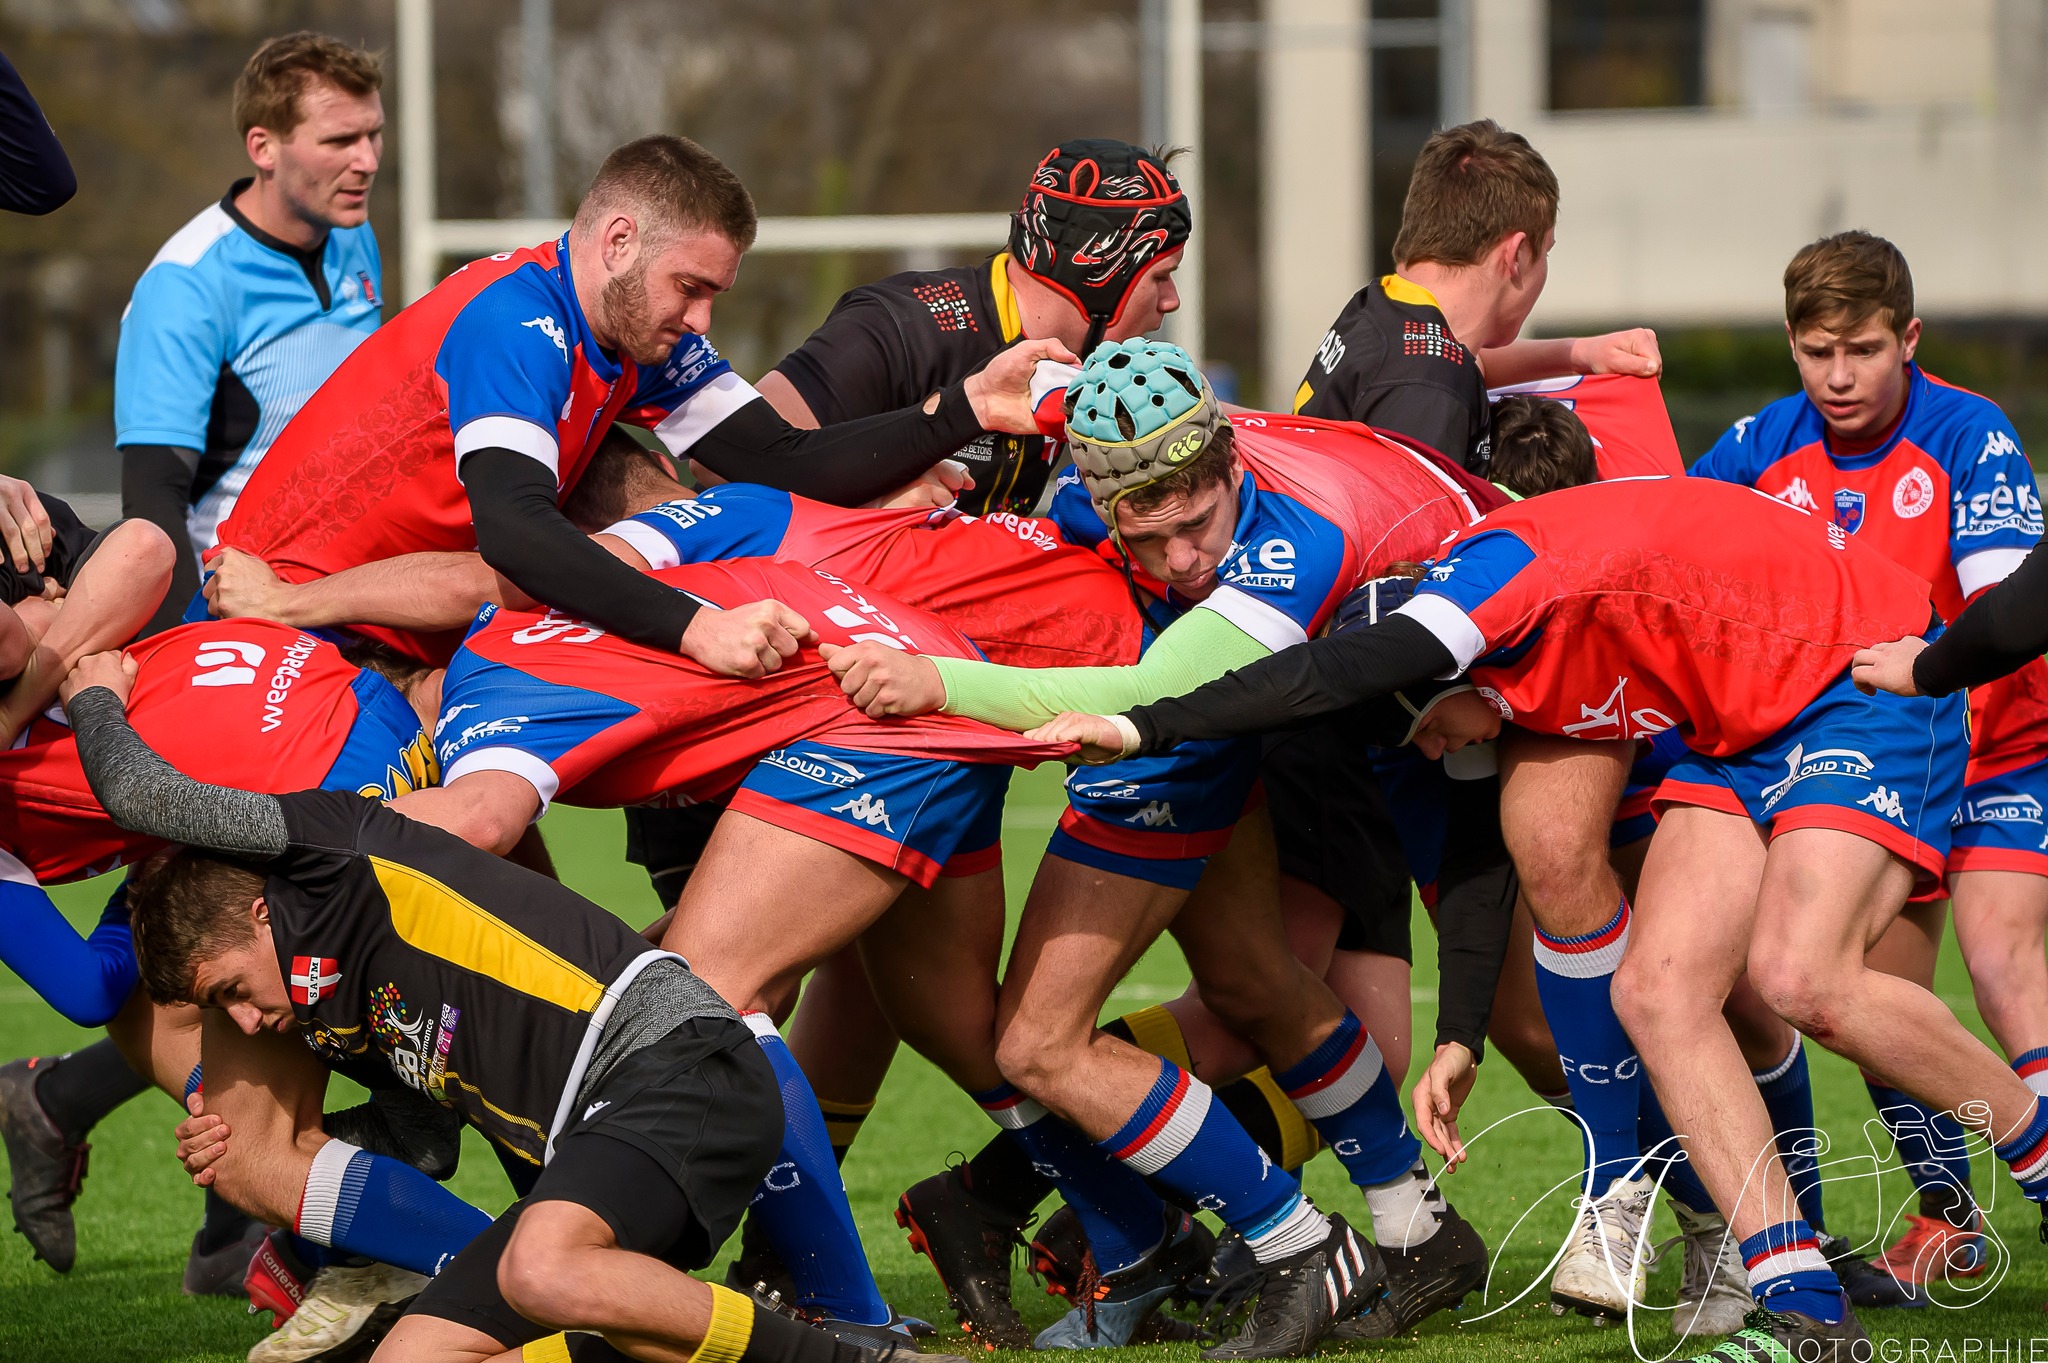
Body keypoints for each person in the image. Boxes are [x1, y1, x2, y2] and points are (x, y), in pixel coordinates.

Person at [1036, 474, 2048, 1358]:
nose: (1436, 755)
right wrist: (1458, 1034)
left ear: (1438, 682)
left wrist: (1139, 723)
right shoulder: (1496, 658)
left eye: (1429, 733)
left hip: (1857, 669)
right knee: (1655, 994)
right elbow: (1486, 858)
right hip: (1740, 724)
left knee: (1798, 979)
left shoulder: (1477, 597)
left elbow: (1323, 674)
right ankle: (1804, 1314)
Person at [826, 340, 1497, 1351]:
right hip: (1273, 683)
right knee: (1251, 977)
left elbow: (1156, 697)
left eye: (1197, 525)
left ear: (1230, 466)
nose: (1185, 559)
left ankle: (1295, 1244)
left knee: (1036, 1041)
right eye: (1150, 538)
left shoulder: (1289, 540)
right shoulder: (1112, 440)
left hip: (1397, 674)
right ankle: (1413, 1224)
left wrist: (938, 682)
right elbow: (1046, 406)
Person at [57, 656, 965, 1363]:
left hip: (678, 1067)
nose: (244, 1023)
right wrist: (286, 1139)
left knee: (543, 1263)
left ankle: (853, 1353)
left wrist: (93, 694)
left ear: (260, 911)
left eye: (227, 992)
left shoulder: (333, 850)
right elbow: (425, 1143)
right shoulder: (337, 1004)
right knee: (420, 1351)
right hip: (614, 1138)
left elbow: (141, 797)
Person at [207, 132, 1064, 672]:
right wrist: (695, 626)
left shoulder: (633, 337)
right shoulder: (518, 320)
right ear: (618, 241)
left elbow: (781, 459)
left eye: (715, 295)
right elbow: (517, 535)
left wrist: (968, 406)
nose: (701, 320)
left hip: (383, 633)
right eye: (689, 287)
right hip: (285, 625)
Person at [1693, 230, 2048, 1294]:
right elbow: (1681, 551)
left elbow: (1998, 619)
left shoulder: (1966, 433)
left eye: (1859, 349)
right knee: (1868, 998)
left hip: (1997, 744)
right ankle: (1948, 1217)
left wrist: (1922, 665)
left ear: (1908, 339)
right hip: (1872, 758)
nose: (1837, 377)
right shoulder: (1761, 443)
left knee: (1995, 960)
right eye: (1814, 352)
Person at [0, 616, 472, 1354]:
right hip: (376, 720)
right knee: (426, 1087)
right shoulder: (76, 601)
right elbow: (146, 550)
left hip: (316, 809)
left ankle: (507, 1271)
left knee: (247, 1150)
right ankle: (342, 1247)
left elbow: (87, 988)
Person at [118, 33, 386, 637]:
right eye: (341, 140)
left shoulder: (352, 234)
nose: (367, 160)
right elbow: (155, 506)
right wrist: (189, 652)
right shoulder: (184, 284)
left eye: (373, 134)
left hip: (353, 585)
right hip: (243, 613)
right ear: (263, 148)